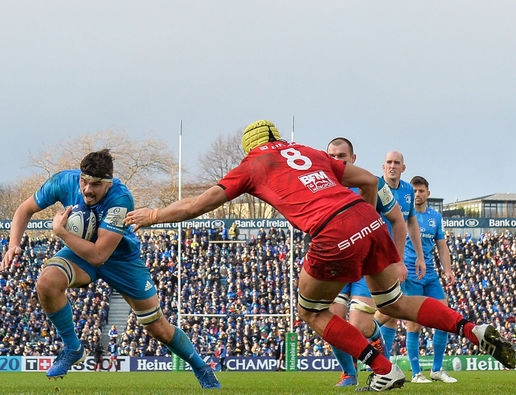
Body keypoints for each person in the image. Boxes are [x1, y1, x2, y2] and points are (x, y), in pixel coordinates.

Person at [124, 120, 516, 392]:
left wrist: (155, 214)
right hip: (365, 218)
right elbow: (366, 180)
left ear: (249, 147)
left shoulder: (253, 163)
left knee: (311, 311)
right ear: (277, 136)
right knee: (393, 302)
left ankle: (383, 368)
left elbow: (200, 203)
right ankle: (473, 331)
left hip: (332, 231)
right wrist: (363, 224)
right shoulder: (305, 151)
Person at [0, 149, 220, 388]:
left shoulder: (120, 199)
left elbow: (99, 254)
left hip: (121, 260)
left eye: (95, 185)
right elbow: (24, 209)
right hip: (80, 252)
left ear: (109, 183)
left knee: (159, 328)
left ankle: (201, 367)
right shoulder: (63, 181)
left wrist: (61, 232)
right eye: (84, 182)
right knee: (47, 282)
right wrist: (13, 245)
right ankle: (73, 347)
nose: (87, 190)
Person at [325, 137, 408, 387]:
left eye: (342, 156)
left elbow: (398, 221)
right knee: (330, 322)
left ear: (353, 159)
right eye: (332, 156)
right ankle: (349, 374)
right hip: (337, 265)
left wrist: (398, 260)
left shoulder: (373, 183)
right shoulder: (321, 186)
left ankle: (382, 360)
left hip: (367, 267)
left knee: (359, 325)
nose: (337, 160)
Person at [399, 176, 457, 384]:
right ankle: (416, 374)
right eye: (414, 191)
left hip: (431, 275)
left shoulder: (435, 217)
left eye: (421, 191)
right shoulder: (403, 216)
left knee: (444, 320)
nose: (417, 194)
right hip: (411, 276)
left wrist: (447, 270)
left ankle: (437, 369)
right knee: (413, 325)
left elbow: (442, 246)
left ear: (427, 194)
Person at [374, 151, 427, 358]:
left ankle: (383, 361)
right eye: (389, 162)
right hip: (377, 256)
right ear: (383, 167)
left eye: (397, 162)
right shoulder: (375, 187)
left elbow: (411, 222)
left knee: (393, 311)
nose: (392, 165)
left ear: (403, 168)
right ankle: (366, 332)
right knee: (388, 308)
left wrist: (420, 256)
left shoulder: (407, 191)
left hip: (396, 258)